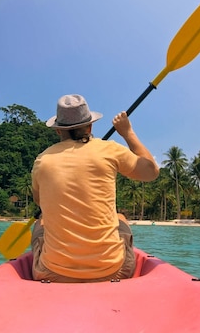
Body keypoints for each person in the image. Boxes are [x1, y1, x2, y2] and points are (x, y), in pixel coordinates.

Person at [31, 94, 159, 283]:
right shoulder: (109, 150)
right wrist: (127, 132)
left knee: (40, 222)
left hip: (52, 273)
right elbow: (151, 172)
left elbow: (39, 202)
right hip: (112, 270)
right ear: (90, 126)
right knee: (120, 218)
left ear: (58, 130)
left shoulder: (42, 161)